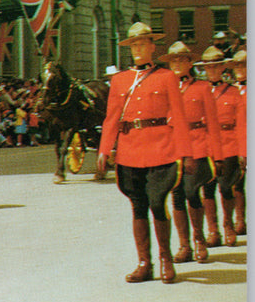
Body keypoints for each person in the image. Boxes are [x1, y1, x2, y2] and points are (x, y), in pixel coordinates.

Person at [96, 22, 192, 284]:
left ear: (152, 47)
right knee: (138, 205)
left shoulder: (167, 77)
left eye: (143, 44)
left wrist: (186, 153)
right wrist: (105, 149)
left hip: (161, 148)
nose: (138, 49)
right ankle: (144, 263)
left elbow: (180, 118)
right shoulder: (120, 80)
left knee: (157, 202)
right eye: (134, 45)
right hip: (130, 150)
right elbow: (111, 118)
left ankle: (165, 259)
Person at [159, 41, 220, 263]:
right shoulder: (164, 87)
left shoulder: (202, 87)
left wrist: (217, 154)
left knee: (192, 191)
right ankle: (184, 246)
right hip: (172, 146)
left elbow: (212, 122)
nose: (177, 63)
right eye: (173, 59)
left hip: (196, 145)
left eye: (181, 59)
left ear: (190, 62)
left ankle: (199, 240)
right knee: (176, 195)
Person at [197, 46, 245, 247]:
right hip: (206, 145)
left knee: (227, 187)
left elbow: (242, 124)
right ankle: (213, 231)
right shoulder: (198, 91)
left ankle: (228, 226)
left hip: (228, 144)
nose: (213, 71)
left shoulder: (233, 92)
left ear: (223, 69)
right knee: (207, 189)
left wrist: (243, 151)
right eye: (209, 67)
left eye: (216, 67)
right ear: (204, 70)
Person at [230, 50, 247, 237]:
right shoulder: (231, 90)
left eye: (244, 65)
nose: (240, 69)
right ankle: (240, 220)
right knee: (237, 183)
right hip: (237, 142)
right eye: (237, 65)